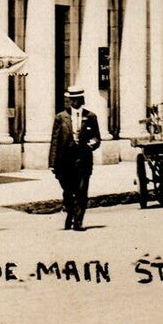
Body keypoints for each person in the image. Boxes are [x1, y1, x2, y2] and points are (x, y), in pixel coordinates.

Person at [48, 83, 101, 231]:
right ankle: (70, 213)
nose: (74, 102)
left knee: (82, 191)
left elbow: (97, 138)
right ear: (68, 101)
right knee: (68, 191)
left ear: (82, 99)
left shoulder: (90, 117)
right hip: (65, 161)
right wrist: (52, 163)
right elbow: (55, 141)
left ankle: (78, 222)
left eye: (77, 99)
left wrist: (92, 144)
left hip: (83, 160)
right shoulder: (61, 117)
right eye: (72, 99)